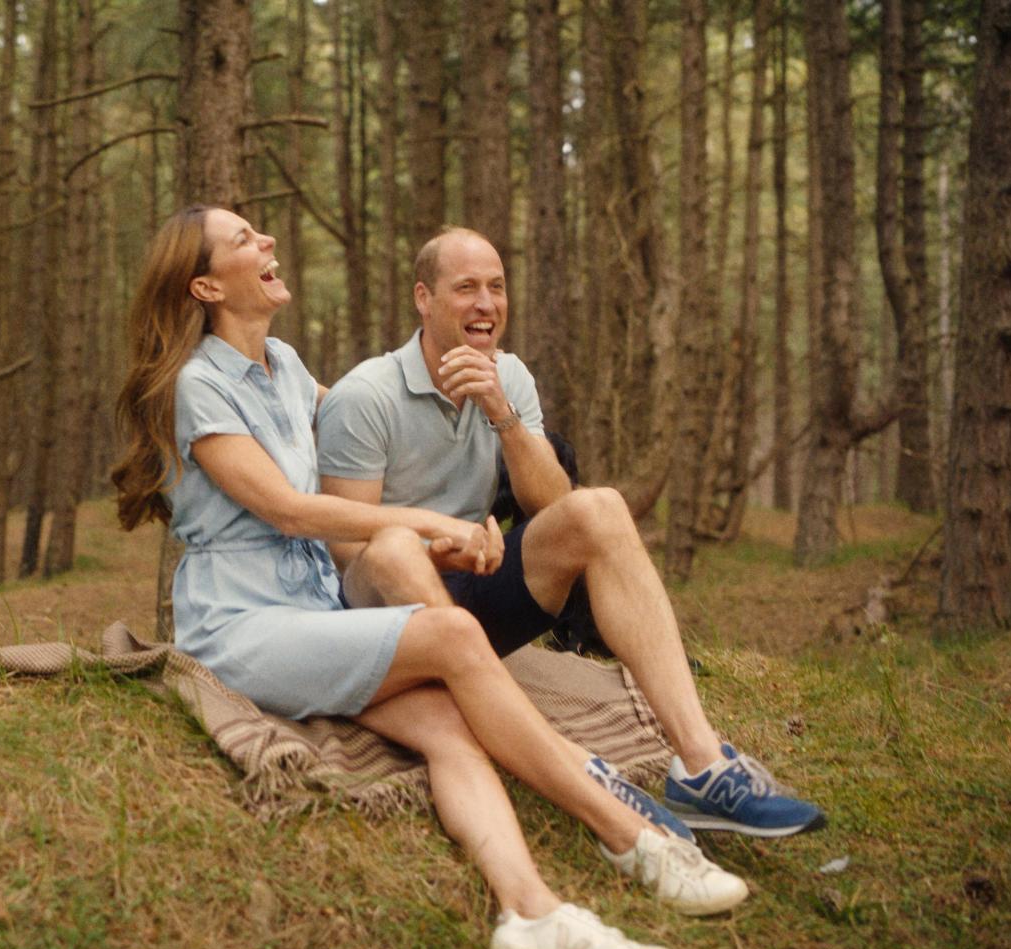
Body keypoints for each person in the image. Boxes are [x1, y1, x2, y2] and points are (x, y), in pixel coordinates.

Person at [111, 205, 747, 949]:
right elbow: (284, 509)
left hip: (319, 614)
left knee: (449, 727)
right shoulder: (195, 385)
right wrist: (430, 525)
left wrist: (473, 478)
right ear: (206, 286)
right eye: (244, 239)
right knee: (451, 634)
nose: (267, 240)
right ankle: (627, 830)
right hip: (243, 625)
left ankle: (532, 915)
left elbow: (357, 420)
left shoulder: (284, 368)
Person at [316, 226, 827, 839]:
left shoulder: (512, 378)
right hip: (389, 618)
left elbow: (553, 506)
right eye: (466, 288)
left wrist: (501, 413)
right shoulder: (366, 395)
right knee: (394, 550)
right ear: (424, 299)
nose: (486, 303)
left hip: (475, 591)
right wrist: (437, 550)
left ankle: (701, 765)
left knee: (601, 508)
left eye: (497, 288)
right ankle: (572, 768)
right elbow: (345, 548)